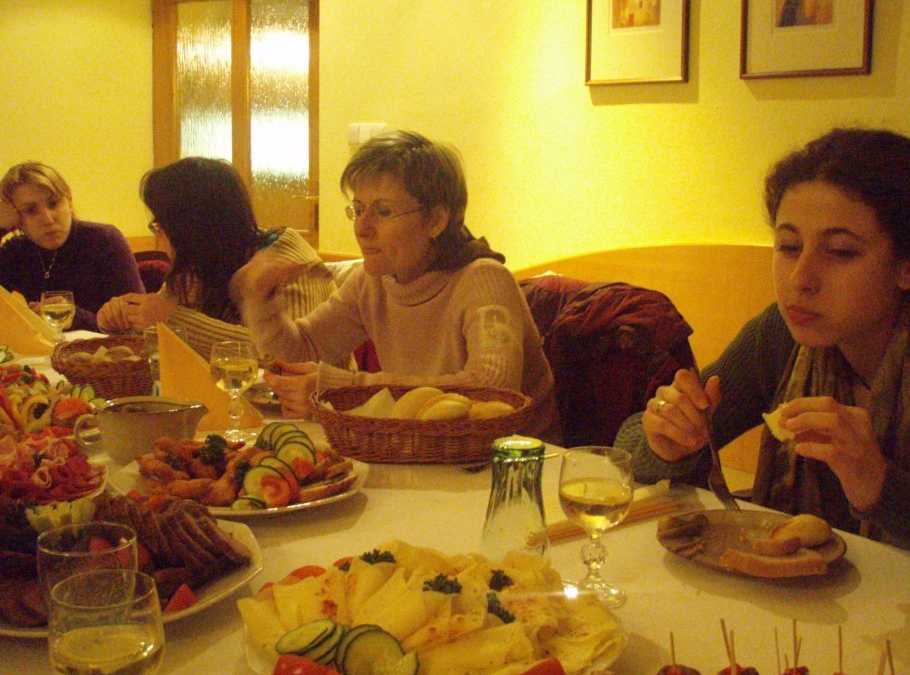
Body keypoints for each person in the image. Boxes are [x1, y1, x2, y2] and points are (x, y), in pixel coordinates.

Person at [615, 128, 910, 566]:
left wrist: (882, 487)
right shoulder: (780, 335)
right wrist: (667, 441)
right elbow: (627, 450)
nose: (800, 278)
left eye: (840, 251)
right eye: (789, 246)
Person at [233, 130, 560, 443]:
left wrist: (346, 389)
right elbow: (304, 347)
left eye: (383, 211)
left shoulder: (484, 280)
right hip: (425, 452)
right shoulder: (372, 282)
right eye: (358, 210)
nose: (362, 228)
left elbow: (491, 387)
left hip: (520, 462)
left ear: (436, 220)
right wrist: (264, 302)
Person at [96, 157, 340, 361]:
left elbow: (288, 359)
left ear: (192, 228)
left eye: (161, 224)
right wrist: (122, 320)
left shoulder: (287, 261)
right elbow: (159, 322)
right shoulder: (198, 266)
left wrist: (173, 320)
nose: (159, 235)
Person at [0, 162, 144, 331]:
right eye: (31, 210)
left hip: (106, 346)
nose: (47, 219)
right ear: (16, 219)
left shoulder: (104, 240)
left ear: (68, 202)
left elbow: (137, 323)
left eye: (53, 204)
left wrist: (74, 317)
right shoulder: (17, 250)